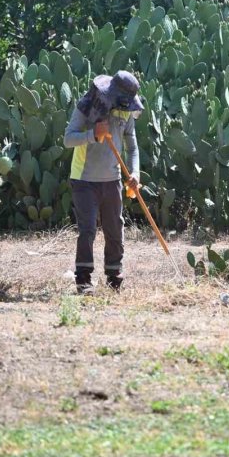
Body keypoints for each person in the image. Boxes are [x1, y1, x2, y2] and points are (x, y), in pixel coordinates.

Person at [63, 70, 143, 295]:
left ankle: (114, 275)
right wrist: (93, 135)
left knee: (115, 228)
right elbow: (68, 139)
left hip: (113, 179)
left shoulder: (126, 111)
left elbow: (133, 147)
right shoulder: (87, 105)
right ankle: (84, 279)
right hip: (84, 179)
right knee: (87, 230)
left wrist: (135, 173)